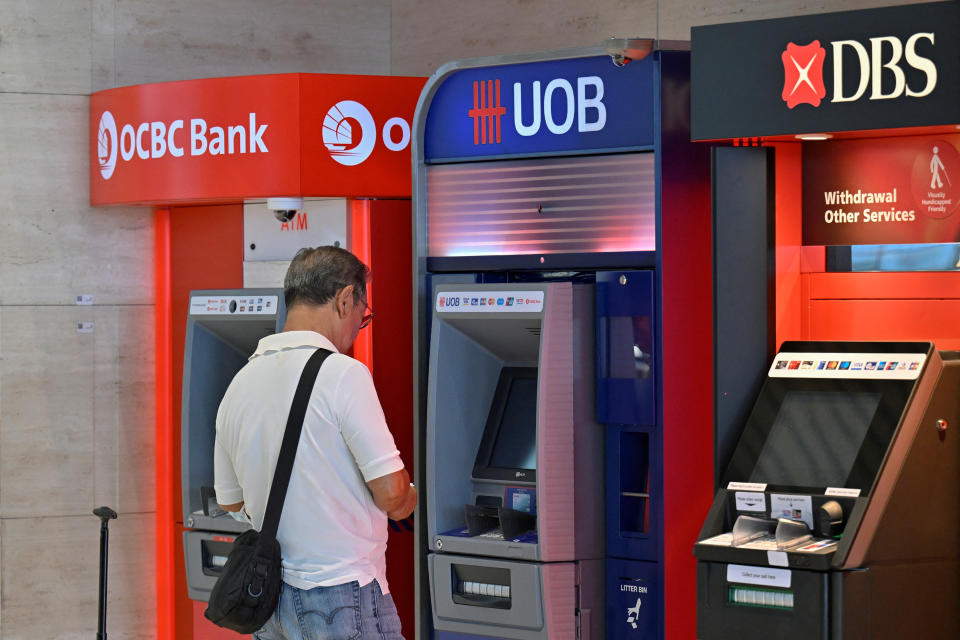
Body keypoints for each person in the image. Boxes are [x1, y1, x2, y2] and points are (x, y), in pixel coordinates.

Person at [214, 245, 416, 640]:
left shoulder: (240, 382)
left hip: (268, 598)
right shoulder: (343, 375)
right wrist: (411, 497)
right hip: (342, 596)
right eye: (364, 315)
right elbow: (392, 494)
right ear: (345, 299)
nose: (359, 327)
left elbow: (230, 501)